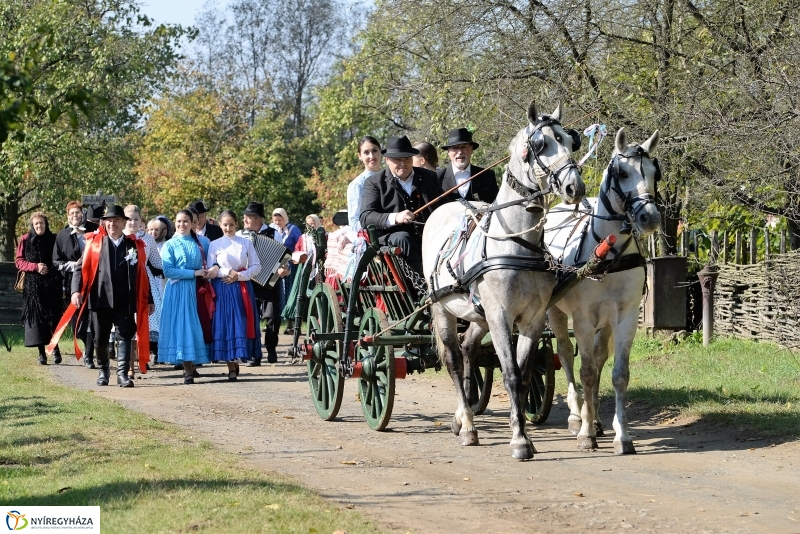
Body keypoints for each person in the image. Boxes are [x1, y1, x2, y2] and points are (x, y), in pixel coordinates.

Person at [68, 205, 154, 387]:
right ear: (104, 223)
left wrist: (149, 299)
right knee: (100, 337)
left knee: (125, 334)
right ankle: (103, 371)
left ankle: (122, 374)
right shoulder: (95, 243)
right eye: (109, 221)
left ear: (124, 223)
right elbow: (79, 268)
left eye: (116, 221)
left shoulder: (133, 245)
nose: (112, 224)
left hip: (125, 299)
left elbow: (142, 274)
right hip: (100, 299)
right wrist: (76, 291)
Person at [359, 135, 444, 273]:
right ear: (387, 160)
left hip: (428, 233)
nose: (403, 163)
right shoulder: (374, 183)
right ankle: (421, 287)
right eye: (397, 159)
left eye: (407, 158)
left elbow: (443, 204)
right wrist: (395, 217)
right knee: (404, 239)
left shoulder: (429, 176)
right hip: (391, 237)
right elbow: (365, 217)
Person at [206, 210, 262, 379]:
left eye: (231, 224)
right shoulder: (215, 244)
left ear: (236, 224)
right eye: (225, 225)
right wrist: (226, 271)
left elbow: (256, 266)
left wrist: (239, 275)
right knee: (226, 326)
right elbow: (211, 269)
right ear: (220, 225)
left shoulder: (245, 243)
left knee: (240, 324)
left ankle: (237, 360)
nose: (228, 228)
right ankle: (231, 364)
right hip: (222, 288)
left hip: (241, 288)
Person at [158, 209, 212, 384]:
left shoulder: (203, 242)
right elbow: (168, 270)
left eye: (186, 221)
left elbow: (213, 262)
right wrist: (193, 272)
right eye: (179, 221)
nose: (182, 225)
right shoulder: (170, 244)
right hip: (178, 291)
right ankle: (187, 369)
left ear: (193, 223)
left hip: (198, 290)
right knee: (183, 327)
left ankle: (194, 364)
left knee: (198, 326)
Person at [236, 202, 288, 365]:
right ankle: (254, 354)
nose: (245, 220)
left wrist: (282, 270)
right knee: (251, 319)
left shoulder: (273, 233)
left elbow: (283, 257)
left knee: (273, 318)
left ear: (258, 219)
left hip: (270, 282)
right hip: (248, 282)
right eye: (244, 217)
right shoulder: (240, 235)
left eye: (248, 217)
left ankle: (271, 349)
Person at [52, 201, 99, 368]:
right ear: (67, 216)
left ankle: (89, 355)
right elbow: (56, 262)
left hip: (94, 280)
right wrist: (74, 265)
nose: (75, 216)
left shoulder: (94, 229)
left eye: (77, 213)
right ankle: (82, 339)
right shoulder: (62, 235)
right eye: (71, 214)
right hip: (73, 282)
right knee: (77, 321)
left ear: (82, 213)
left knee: (91, 316)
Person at [16, 213, 63, 365]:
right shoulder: (25, 239)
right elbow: (19, 261)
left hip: (52, 286)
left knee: (54, 319)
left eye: (41, 223)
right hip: (33, 288)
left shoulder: (54, 239)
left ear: (46, 224)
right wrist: (35, 267)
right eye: (36, 224)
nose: (39, 226)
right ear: (32, 225)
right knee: (38, 322)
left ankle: (55, 349)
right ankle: (41, 353)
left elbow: (59, 258)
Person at [124, 205, 164, 368]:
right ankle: (128, 363)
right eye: (129, 219)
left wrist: (177, 269)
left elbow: (156, 262)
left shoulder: (147, 239)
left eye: (136, 219)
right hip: (123, 284)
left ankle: (142, 357)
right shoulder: (120, 237)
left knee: (143, 322)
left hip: (143, 284)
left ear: (141, 220)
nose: (133, 222)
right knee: (126, 324)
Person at [437, 128, 498, 204]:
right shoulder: (437, 178)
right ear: (448, 152)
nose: (460, 152)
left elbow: (496, 206)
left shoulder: (487, 175)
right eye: (455, 148)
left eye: (464, 147)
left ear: (471, 149)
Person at [270, 208, 301, 333]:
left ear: (285, 218)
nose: (277, 222)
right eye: (275, 219)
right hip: (275, 265)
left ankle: (291, 324)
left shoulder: (293, 230)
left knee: (289, 293)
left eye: (280, 219)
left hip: (290, 267)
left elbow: (299, 246)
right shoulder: (271, 230)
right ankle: (273, 321)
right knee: (275, 293)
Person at [347, 136, 382, 231]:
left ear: (380, 151)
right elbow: (354, 222)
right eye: (366, 152)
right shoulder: (357, 185)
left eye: (374, 150)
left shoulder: (391, 178)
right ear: (360, 156)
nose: (371, 156)